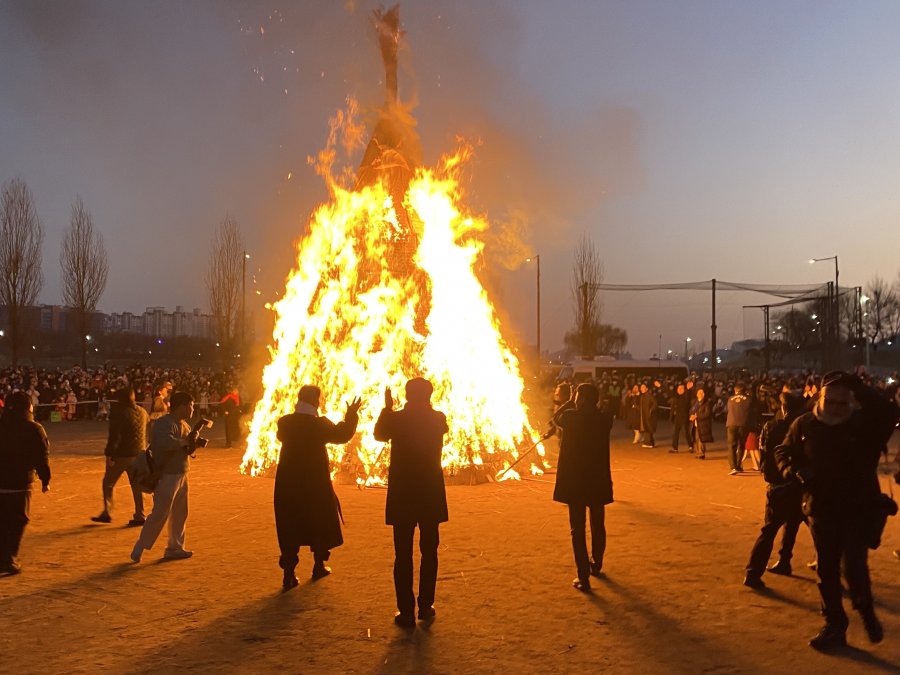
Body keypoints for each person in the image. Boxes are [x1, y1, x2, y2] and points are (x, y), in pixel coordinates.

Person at [775, 371, 899, 650]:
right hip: (821, 509)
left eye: (841, 403)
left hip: (857, 509)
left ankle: (865, 610)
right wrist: (795, 472)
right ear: (820, 399)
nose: (834, 409)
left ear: (851, 403)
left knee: (854, 568)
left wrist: (860, 386)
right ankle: (834, 624)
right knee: (826, 571)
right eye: (829, 401)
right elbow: (783, 451)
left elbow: (888, 411)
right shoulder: (805, 424)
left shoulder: (863, 426)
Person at [373, 378, 448, 629]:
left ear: (407, 395)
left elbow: (379, 434)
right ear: (429, 395)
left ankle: (406, 612)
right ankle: (425, 606)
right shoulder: (438, 418)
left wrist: (387, 408)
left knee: (402, 554)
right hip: (429, 494)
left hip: (403, 494)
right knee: (430, 552)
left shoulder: (396, 419)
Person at [274, 385, 361, 589]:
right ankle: (318, 565)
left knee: (289, 525)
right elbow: (342, 435)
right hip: (315, 482)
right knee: (319, 521)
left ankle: (289, 574)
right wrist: (351, 415)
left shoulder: (285, 422)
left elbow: (281, 437)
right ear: (316, 402)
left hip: (288, 482)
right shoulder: (319, 425)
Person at [550, 383, 614, 592]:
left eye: (577, 396)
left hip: (576, 481)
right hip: (597, 480)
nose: (575, 399)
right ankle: (596, 564)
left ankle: (583, 576)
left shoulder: (571, 417)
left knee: (577, 530)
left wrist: (568, 400)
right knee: (598, 525)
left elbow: (555, 418)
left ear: (583, 399)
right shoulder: (605, 419)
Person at [743, 393, 806, 588]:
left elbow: (767, 456)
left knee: (770, 530)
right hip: (799, 484)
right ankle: (785, 561)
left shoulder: (773, 427)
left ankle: (755, 572)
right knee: (807, 527)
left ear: (784, 408)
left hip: (779, 485)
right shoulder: (805, 428)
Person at [130, 392, 198, 563]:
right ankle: (141, 545)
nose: (192, 409)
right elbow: (164, 444)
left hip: (181, 473)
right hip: (166, 474)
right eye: (190, 405)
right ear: (182, 406)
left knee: (180, 513)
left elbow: (187, 451)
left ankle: (175, 547)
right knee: (160, 512)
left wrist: (193, 443)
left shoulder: (185, 426)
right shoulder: (163, 423)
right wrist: (185, 442)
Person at [0, 391, 51, 575]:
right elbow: (41, 457)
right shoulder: (34, 429)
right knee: (17, 522)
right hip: (19, 483)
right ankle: (8, 559)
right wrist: (45, 479)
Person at [91, 387, 148, 526]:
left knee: (108, 482)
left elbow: (115, 436)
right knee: (137, 485)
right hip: (139, 453)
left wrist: (109, 454)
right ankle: (140, 515)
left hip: (123, 454)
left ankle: (107, 512)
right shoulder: (142, 412)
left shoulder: (119, 413)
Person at [725, 383, 751, 475]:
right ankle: (739, 465)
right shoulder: (748, 399)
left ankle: (733, 466)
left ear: (735, 390)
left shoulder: (730, 399)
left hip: (731, 423)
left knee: (731, 445)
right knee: (741, 445)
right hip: (743, 424)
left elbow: (728, 410)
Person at [690, 388, 713, 459]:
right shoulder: (695, 402)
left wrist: (697, 416)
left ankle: (702, 453)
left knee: (701, 439)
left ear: (704, 394)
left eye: (702, 393)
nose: (700, 394)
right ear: (696, 394)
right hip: (696, 424)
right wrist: (691, 416)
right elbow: (691, 410)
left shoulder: (706, 403)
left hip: (703, 424)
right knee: (696, 439)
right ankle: (698, 452)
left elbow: (707, 413)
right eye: (699, 393)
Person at [669, 383, 691, 454]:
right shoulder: (676, 397)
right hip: (677, 418)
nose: (680, 390)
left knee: (686, 433)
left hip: (684, 417)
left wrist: (688, 389)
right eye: (679, 388)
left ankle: (690, 446)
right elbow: (668, 392)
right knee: (675, 433)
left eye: (682, 388)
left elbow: (688, 395)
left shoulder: (686, 396)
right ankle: (675, 448)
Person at [639, 383, 658, 448]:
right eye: (641, 387)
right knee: (646, 428)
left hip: (649, 415)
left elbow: (655, 403)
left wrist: (651, 410)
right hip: (644, 415)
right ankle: (650, 443)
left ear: (647, 389)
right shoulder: (642, 396)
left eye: (643, 387)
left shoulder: (649, 395)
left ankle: (649, 443)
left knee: (649, 428)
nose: (641, 388)